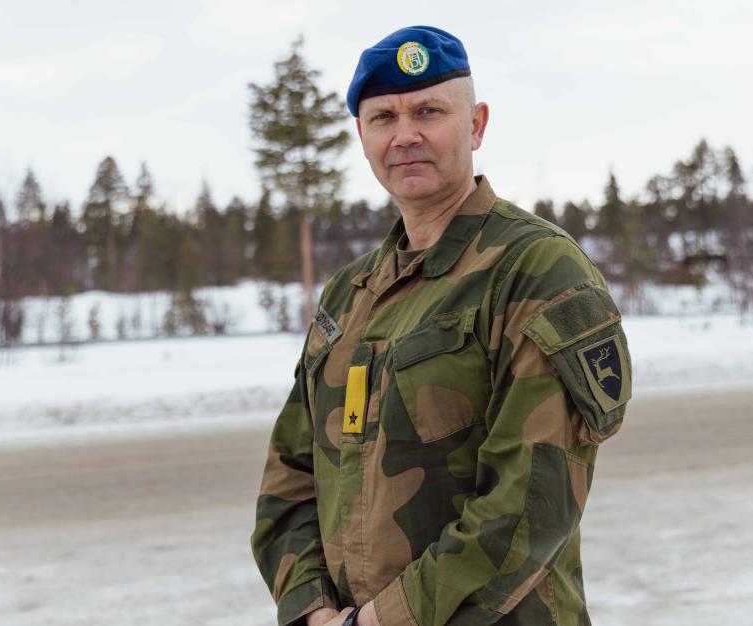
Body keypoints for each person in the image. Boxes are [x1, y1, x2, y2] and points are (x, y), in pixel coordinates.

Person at [250, 25, 632, 626]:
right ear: (362, 135)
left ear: (476, 125)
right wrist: (311, 611)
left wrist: (383, 620)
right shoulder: (349, 293)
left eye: (428, 111)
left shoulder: (536, 271)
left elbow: (529, 502)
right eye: (383, 118)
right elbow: (292, 478)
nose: (405, 135)